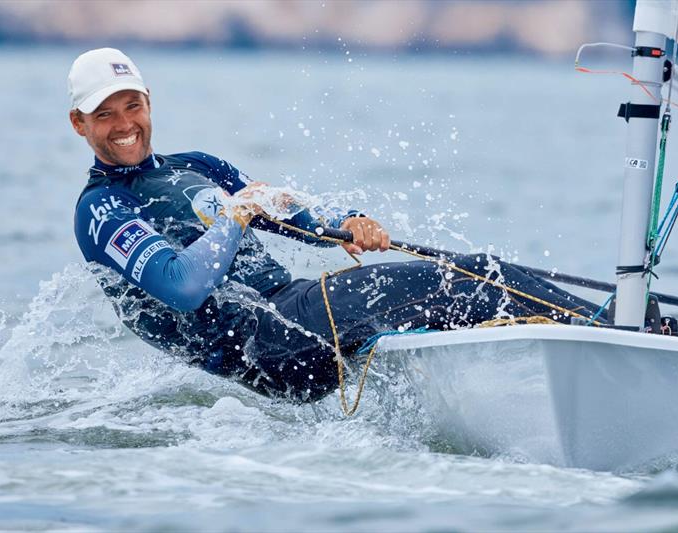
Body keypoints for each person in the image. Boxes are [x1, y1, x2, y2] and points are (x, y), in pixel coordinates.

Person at [70, 48, 602, 402]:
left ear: (149, 103)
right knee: (457, 283)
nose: (124, 124)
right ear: (79, 123)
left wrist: (347, 222)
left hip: (294, 316)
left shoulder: (197, 165)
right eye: (105, 114)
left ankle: (603, 331)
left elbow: (286, 210)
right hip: (268, 341)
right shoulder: (102, 208)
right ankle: (613, 336)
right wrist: (235, 214)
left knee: (477, 270)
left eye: (132, 106)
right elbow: (181, 286)